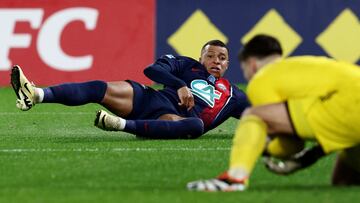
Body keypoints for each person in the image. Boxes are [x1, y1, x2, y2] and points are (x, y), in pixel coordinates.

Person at [187, 34, 360, 191]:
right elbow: (338, 128)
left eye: (244, 70)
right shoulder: (302, 68)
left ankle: (234, 179)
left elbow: (293, 143)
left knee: (253, 115)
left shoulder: (263, 78)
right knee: (343, 181)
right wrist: (311, 156)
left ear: (252, 64)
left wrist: (268, 149)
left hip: (350, 107)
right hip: (351, 110)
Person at [11, 40, 249, 139]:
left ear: (228, 64)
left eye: (222, 58)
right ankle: (36, 94)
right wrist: (180, 85)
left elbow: (259, 113)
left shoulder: (233, 95)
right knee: (98, 88)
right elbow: (151, 70)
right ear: (201, 57)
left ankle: (121, 125)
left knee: (195, 126)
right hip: (151, 99)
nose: (216, 61)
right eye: (210, 56)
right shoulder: (187, 65)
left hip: (176, 118)